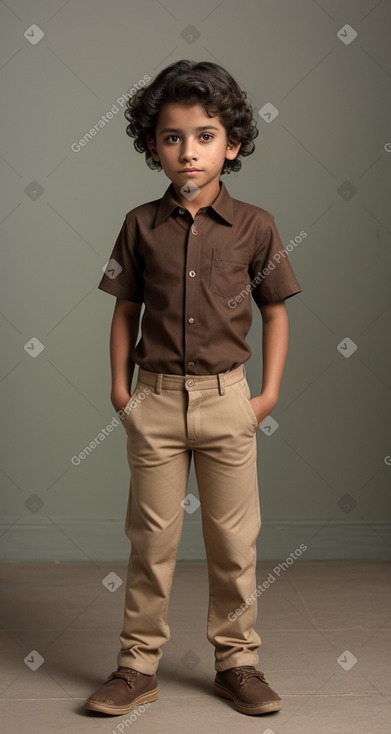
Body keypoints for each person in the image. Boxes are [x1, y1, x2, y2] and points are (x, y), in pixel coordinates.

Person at [85, 59, 301, 717]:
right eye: (172, 136)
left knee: (235, 543)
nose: (188, 150)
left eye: (204, 135)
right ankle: (135, 666)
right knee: (150, 541)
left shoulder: (256, 225)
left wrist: (264, 395)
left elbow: (274, 312)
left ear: (231, 144)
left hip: (227, 402)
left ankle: (237, 662)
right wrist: (121, 393)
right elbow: (123, 309)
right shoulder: (137, 224)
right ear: (153, 145)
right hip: (152, 400)